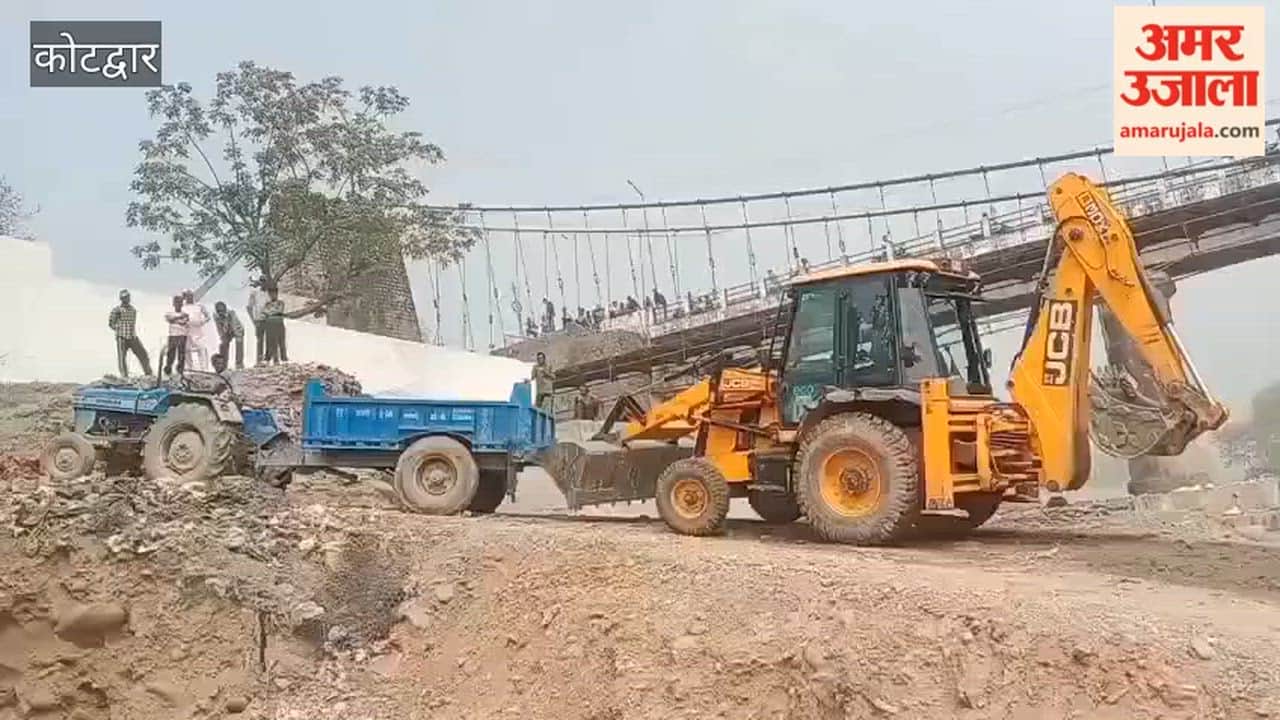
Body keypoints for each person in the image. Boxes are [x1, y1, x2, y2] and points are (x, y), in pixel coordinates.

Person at [108, 289, 152, 377]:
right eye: (124, 297)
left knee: (143, 354)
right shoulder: (117, 310)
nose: (127, 299)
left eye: (128, 297)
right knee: (122, 358)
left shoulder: (133, 309)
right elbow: (111, 323)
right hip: (122, 336)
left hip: (132, 336)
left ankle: (148, 373)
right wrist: (118, 328)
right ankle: (124, 376)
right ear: (121, 299)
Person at [181, 290, 212, 371]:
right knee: (187, 350)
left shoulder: (199, 306)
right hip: (187, 330)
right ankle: (190, 368)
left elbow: (208, 316)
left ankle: (204, 369)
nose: (189, 297)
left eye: (190, 295)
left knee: (201, 348)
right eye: (187, 296)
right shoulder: (182, 307)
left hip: (198, 331)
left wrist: (202, 321)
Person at [260, 284, 288, 364]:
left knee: (281, 341)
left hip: (279, 323)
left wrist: (271, 312)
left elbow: (279, 310)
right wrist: (272, 312)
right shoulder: (267, 304)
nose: (273, 295)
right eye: (271, 294)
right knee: (271, 341)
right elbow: (265, 312)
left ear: (277, 294)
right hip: (269, 324)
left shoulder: (280, 303)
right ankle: (274, 358)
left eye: (274, 293)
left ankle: (284, 358)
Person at [213, 301, 245, 370]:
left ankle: (239, 364)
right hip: (226, 330)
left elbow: (234, 324)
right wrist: (222, 336)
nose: (220, 312)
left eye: (221, 310)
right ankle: (223, 365)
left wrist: (234, 334)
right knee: (223, 345)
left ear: (225, 309)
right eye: (218, 311)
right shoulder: (215, 315)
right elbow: (218, 327)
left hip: (237, 329)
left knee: (239, 343)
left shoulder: (231, 312)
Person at [162, 295, 189, 377]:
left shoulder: (185, 314)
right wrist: (179, 318)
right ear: (174, 303)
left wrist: (175, 319)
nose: (178, 304)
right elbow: (169, 319)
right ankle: (168, 370)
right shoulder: (169, 313)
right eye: (176, 302)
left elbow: (183, 322)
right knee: (171, 353)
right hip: (173, 335)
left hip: (182, 335)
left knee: (181, 354)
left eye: (180, 302)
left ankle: (180, 371)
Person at [246, 279, 267, 365]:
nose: (264, 283)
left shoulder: (271, 293)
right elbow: (249, 307)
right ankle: (259, 361)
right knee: (260, 340)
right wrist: (253, 320)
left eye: (265, 281)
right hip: (259, 319)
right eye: (262, 281)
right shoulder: (255, 293)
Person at [532, 352, 554, 416]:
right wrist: (528, 380)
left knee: (545, 408)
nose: (539, 360)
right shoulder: (535, 367)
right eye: (538, 358)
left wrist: (546, 373)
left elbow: (553, 376)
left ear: (544, 359)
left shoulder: (549, 366)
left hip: (547, 391)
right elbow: (532, 377)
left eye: (541, 358)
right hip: (540, 391)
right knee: (537, 408)